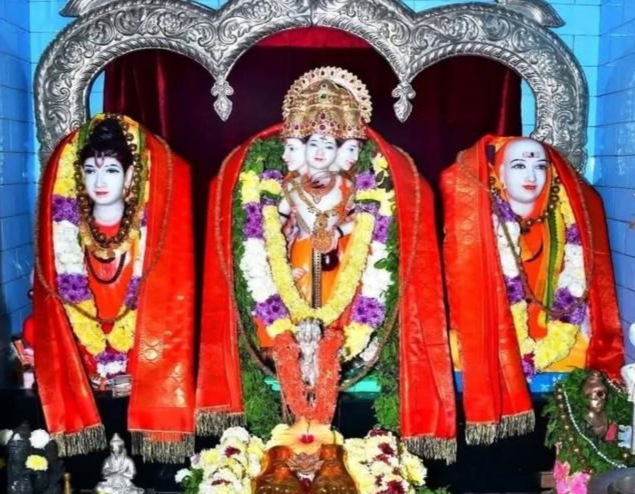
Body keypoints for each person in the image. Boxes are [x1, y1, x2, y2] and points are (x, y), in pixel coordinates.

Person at [196, 67, 457, 464]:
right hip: (296, 263)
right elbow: (273, 224)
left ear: (345, 150)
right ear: (298, 145)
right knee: (291, 303)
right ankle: (291, 358)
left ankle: (342, 354)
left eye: (330, 144)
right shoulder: (286, 185)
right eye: (313, 143)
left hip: (342, 263)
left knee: (345, 305)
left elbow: (361, 221)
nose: (320, 152)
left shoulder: (352, 187)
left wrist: (343, 228)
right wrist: (281, 233)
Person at [33, 114, 195, 462]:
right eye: (90, 170)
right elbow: (60, 303)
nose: (99, 181)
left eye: (111, 170)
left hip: (140, 364)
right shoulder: (66, 233)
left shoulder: (151, 236)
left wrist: (135, 365)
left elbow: (165, 309)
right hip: (86, 366)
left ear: (131, 176)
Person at [442, 135, 624, 444]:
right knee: (457, 352)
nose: (531, 175)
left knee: (582, 353)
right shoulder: (477, 221)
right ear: (499, 173)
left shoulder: (562, 218)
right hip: (492, 332)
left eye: (540, 166)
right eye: (519, 166)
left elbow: (577, 286)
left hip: (552, 331)